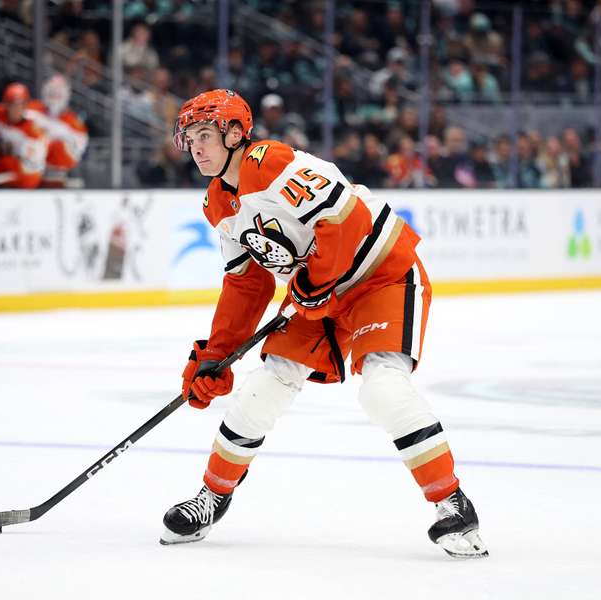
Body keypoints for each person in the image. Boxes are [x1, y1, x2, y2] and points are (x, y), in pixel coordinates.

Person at [161, 89, 488, 559]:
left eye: (206, 135)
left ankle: (451, 503)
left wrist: (316, 281)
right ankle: (212, 497)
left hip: (380, 275)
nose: (197, 148)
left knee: (382, 389)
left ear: (236, 134)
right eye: (190, 139)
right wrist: (216, 353)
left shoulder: (268, 161)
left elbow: (343, 216)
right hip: (318, 295)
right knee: (266, 384)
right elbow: (247, 284)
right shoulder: (218, 203)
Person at [26, 74, 89, 187]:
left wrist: (58, 133)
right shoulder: (32, 109)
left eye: (58, 92)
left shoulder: (74, 122)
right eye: (52, 91)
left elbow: (78, 150)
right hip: (28, 174)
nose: (54, 95)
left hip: (59, 177)